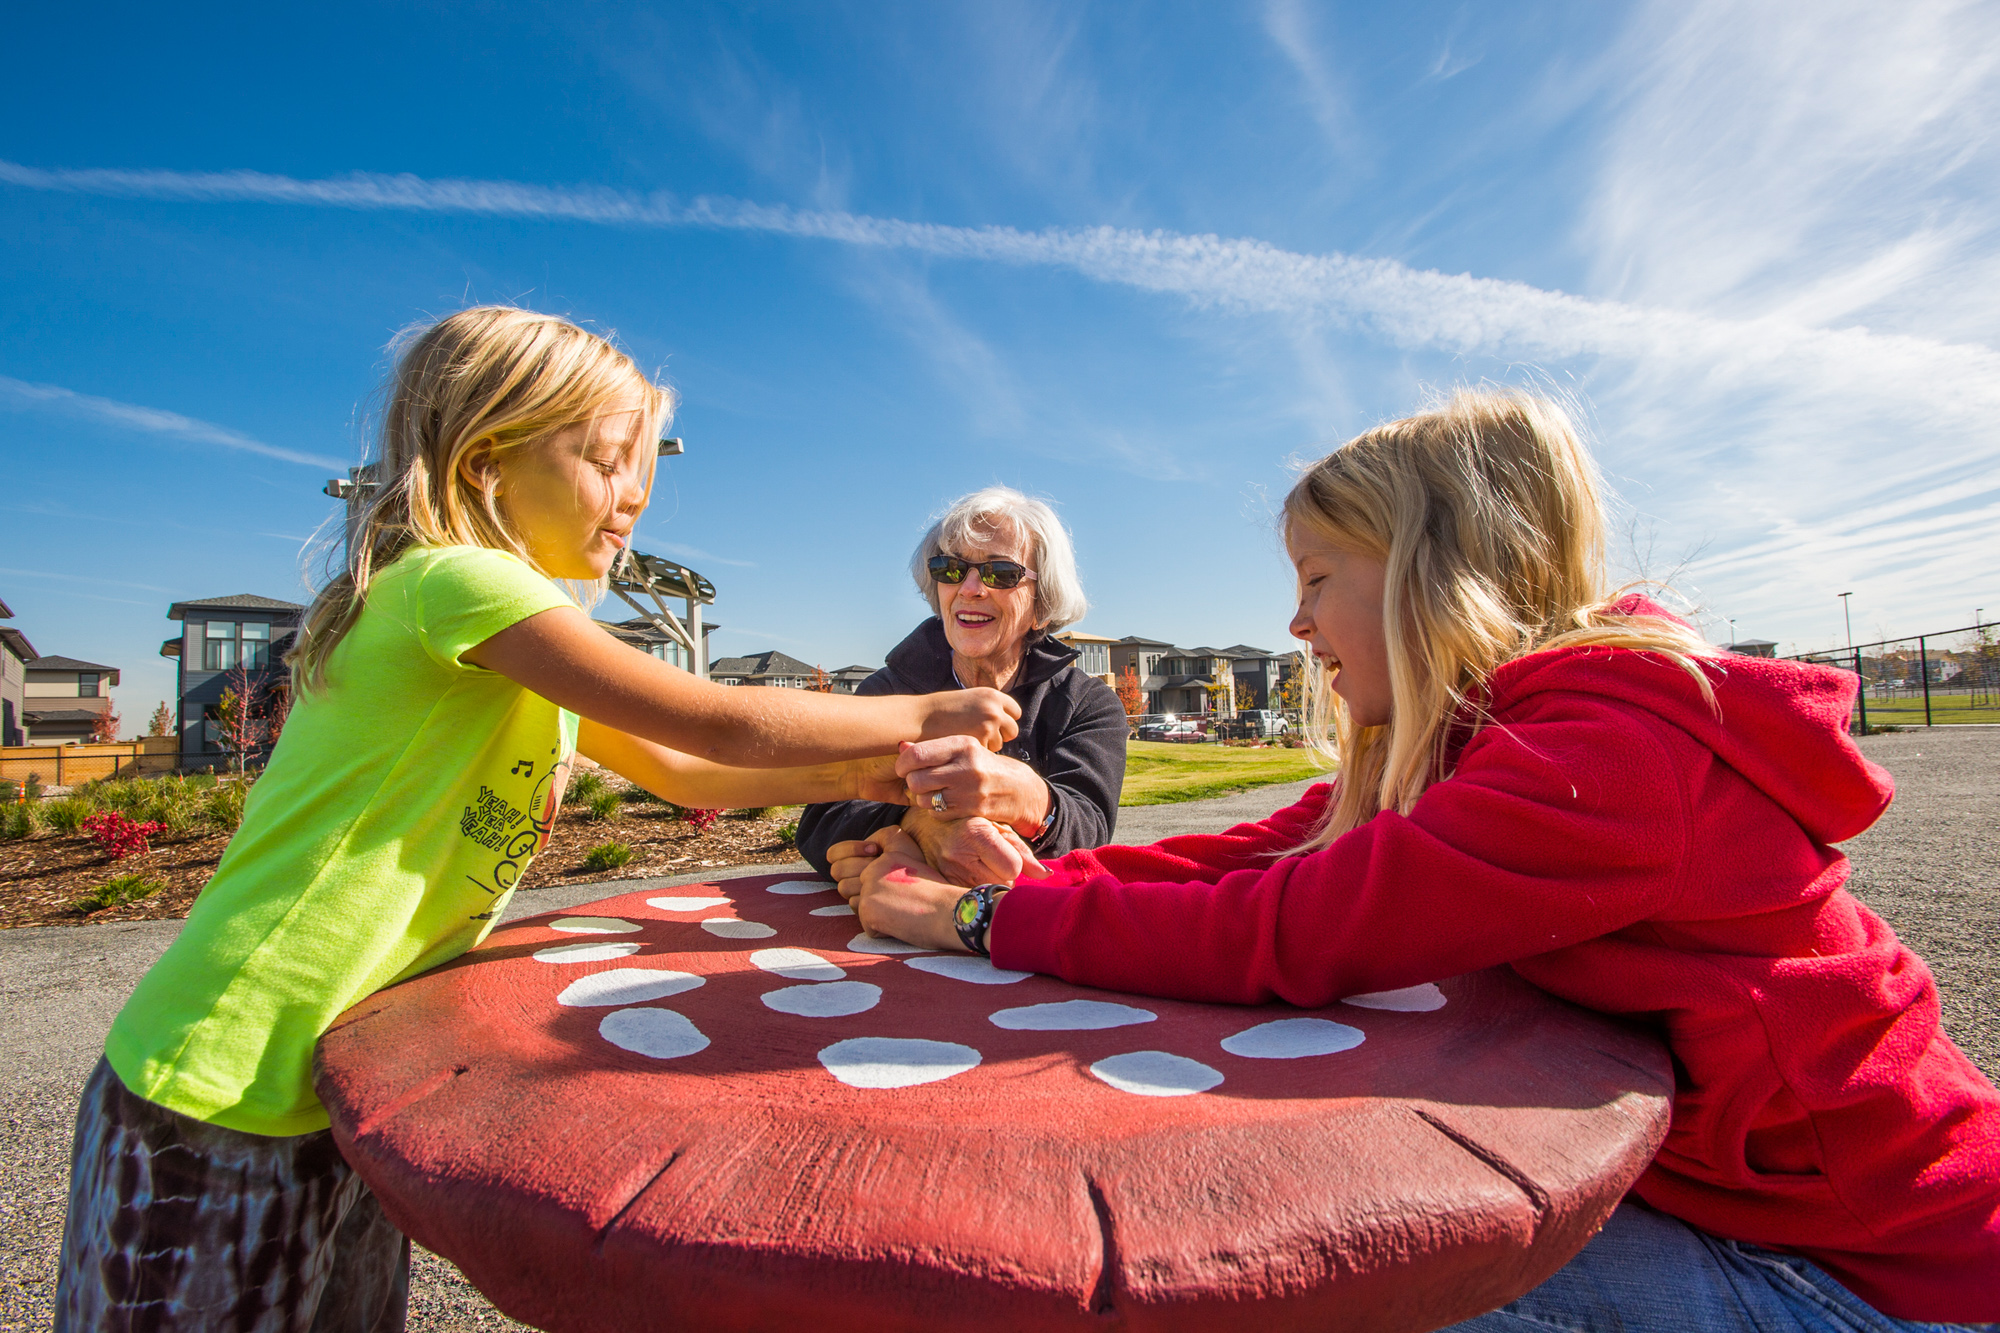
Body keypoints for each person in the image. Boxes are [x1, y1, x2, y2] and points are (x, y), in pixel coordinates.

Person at [832, 390, 2000, 1330]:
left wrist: (975, 921)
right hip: (1729, 1195)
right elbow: (1256, 854)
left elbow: (1285, 928)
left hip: (1865, 1268)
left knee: (1324, 1287)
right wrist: (1032, 885)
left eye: (1315, 581)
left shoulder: (1604, 757)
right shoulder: (1488, 736)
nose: (1293, 625)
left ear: (1426, 576)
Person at [54, 306, 1019, 1332]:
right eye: (607, 461)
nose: (635, 497)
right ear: (487, 462)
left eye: (644, 470)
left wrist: (866, 774)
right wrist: (920, 708)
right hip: (221, 1078)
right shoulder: (455, 584)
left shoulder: (513, 644)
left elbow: (685, 768)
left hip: (333, 1083)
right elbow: (717, 715)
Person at [796, 486, 1127, 888]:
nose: (970, 588)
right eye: (950, 568)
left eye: (1000, 572)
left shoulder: (1088, 703)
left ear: (1041, 605)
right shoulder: (886, 691)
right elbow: (821, 823)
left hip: (1024, 925)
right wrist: (921, 827)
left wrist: (1026, 795)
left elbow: (1089, 830)